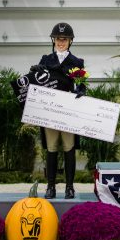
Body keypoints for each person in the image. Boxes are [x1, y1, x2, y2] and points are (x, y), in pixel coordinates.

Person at [30, 22, 86, 199]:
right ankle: (51, 187)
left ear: (70, 41)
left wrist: (81, 91)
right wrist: (34, 72)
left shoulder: (77, 62)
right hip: (50, 112)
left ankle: (69, 187)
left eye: (65, 39)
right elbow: (37, 83)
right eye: (58, 39)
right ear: (53, 41)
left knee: (69, 148)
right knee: (52, 148)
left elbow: (82, 85)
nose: (61, 42)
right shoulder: (46, 60)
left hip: (68, 112)